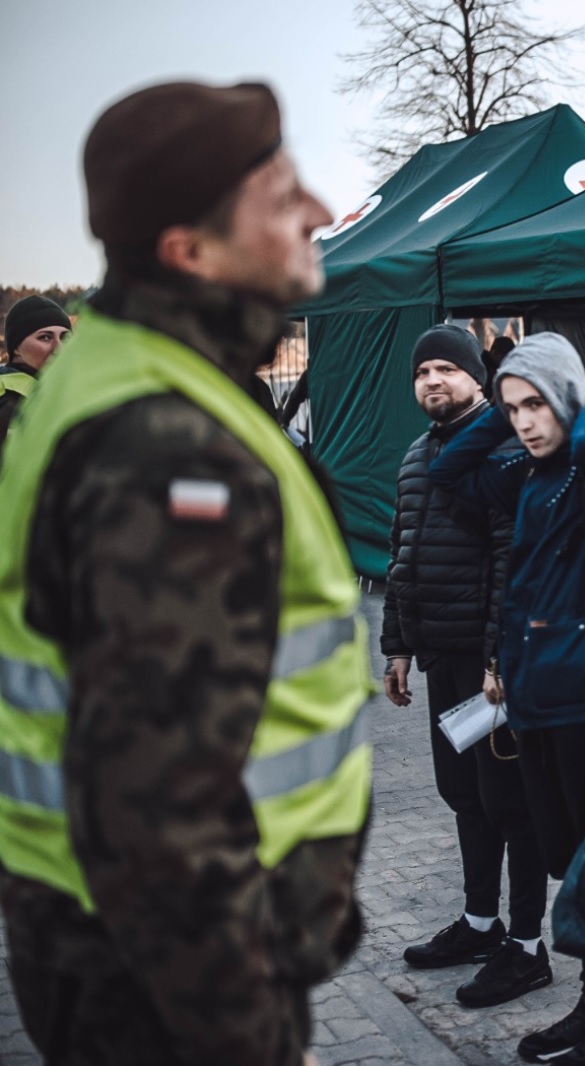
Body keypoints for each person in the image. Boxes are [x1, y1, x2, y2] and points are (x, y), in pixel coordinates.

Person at [0, 81, 369, 1066]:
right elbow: (159, 821)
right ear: (190, 252)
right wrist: (247, 1037)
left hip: (106, 951)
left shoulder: (122, 372)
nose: (320, 211)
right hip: (166, 987)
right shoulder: (168, 449)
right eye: (281, 194)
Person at [430, 334, 585, 1066]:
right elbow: (447, 468)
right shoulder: (530, 476)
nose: (525, 422)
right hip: (543, 707)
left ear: (569, 398)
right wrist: (503, 406)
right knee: (581, 873)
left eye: (537, 405)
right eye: (513, 409)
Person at [382, 324, 550, 1008]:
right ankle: (481, 924)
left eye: (446, 369)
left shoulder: (501, 449)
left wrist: (498, 658)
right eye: (422, 372)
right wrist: (396, 645)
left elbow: (512, 560)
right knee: (466, 797)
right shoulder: (417, 453)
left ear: (477, 377)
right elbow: (401, 552)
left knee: (511, 804)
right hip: (442, 659)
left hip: (490, 669)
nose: (432, 381)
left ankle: (528, 946)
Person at [0, 294, 73, 447]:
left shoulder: (47, 394)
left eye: (65, 338)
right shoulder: (10, 403)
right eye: (45, 337)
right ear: (16, 348)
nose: (59, 348)